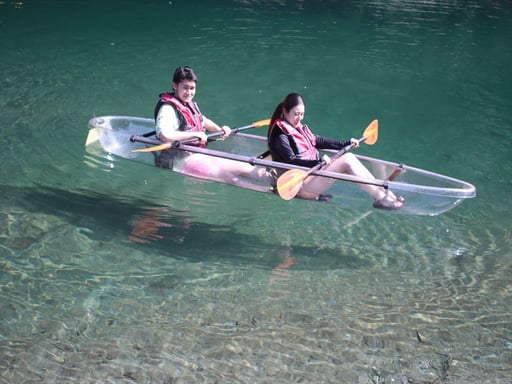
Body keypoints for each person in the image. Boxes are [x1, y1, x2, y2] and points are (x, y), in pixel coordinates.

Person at [267, 93, 404, 210]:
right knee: (347, 160)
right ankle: (382, 198)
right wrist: (318, 162)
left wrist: (345, 143)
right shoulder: (281, 136)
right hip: (299, 187)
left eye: (302, 114)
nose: (299, 118)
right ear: (285, 112)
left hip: (311, 176)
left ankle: (387, 195)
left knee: (349, 155)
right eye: (296, 114)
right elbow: (291, 161)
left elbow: (317, 141)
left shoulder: (296, 127)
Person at [154, 66, 273, 191]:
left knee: (243, 167)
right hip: (179, 161)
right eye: (185, 88)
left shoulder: (189, 103)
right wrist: (195, 135)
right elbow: (164, 134)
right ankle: (268, 191)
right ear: (175, 85)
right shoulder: (167, 109)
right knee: (228, 177)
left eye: (192, 88)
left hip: (199, 155)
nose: (189, 92)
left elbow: (202, 120)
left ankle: (276, 179)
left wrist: (220, 130)